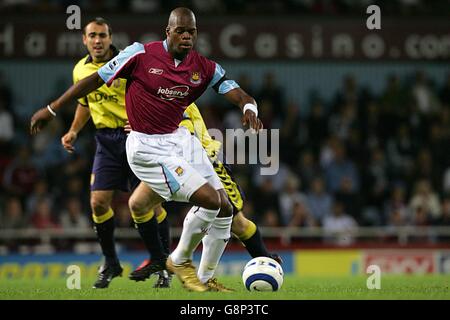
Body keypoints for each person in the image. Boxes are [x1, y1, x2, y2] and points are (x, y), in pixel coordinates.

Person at [30, 7, 263, 292]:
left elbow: (237, 92)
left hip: (180, 138)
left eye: (191, 31)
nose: (186, 36)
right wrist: (52, 109)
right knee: (210, 201)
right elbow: (93, 81)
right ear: (168, 31)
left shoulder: (203, 67)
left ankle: (204, 279)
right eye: (180, 31)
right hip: (146, 147)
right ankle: (176, 259)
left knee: (225, 207)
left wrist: (249, 107)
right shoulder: (140, 54)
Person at [59, 17, 172, 289]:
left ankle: (163, 265)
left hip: (137, 139)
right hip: (105, 141)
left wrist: (143, 119)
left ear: (111, 38)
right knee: (98, 202)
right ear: (84, 40)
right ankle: (111, 262)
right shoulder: (79, 70)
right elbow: (85, 102)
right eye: (92, 36)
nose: (97, 40)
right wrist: (74, 130)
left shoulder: (128, 62)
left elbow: (155, 94)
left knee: (151, 206)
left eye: (102, 35)